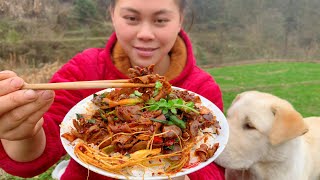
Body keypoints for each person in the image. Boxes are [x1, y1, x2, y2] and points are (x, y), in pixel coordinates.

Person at [0, 0, 225, 179]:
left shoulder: (202, 91)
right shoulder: (84, 68)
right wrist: (20, 133)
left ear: (180, 20)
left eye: (161, 20)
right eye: (131, 18)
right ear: (112, 14)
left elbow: (213, 164)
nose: (145, 33)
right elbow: (46, 141)